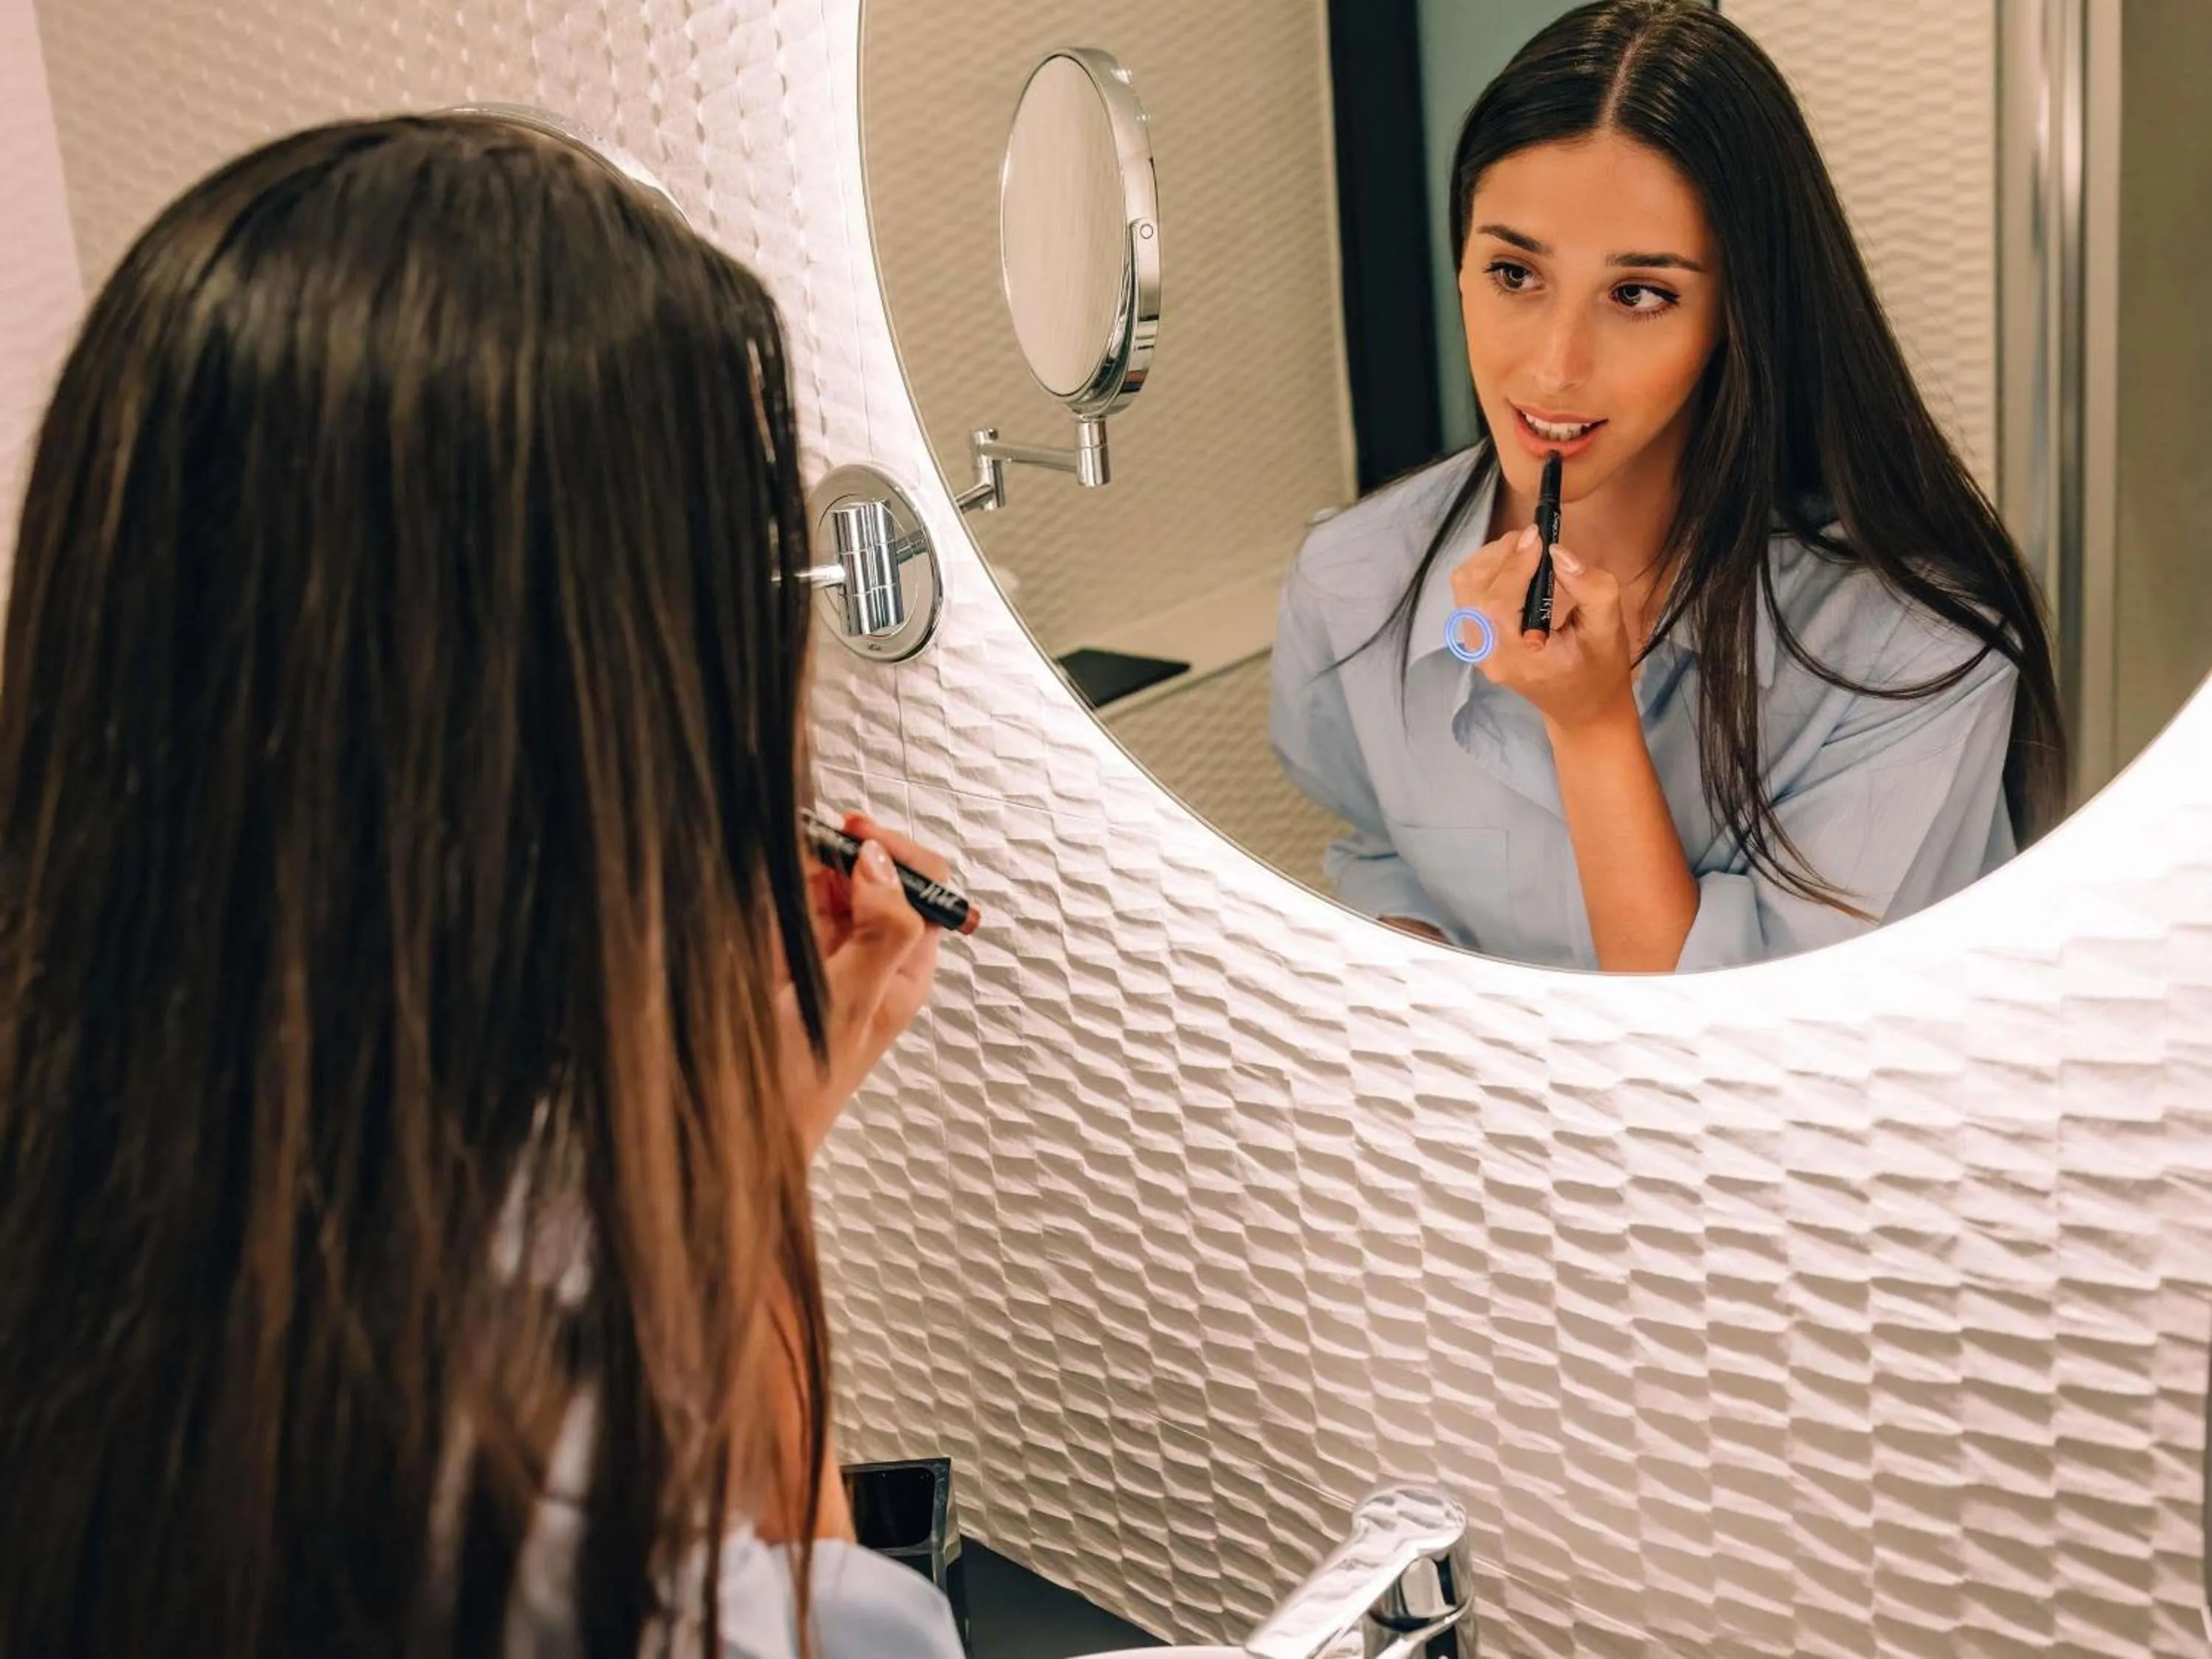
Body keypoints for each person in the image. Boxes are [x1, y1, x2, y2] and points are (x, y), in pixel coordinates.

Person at [0, 113, 964, 1659]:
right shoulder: (558, 1538)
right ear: (602, 715)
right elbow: (820, 1613)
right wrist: (740, 1196)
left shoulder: (115, 1235)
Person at [1270, 0, 2066, 974]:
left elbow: (1758, 1059)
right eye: (1515, 272)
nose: (1556, 368)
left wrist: (1593, 725)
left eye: (1639, 293)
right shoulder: (1352, 579)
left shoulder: (1914, 649)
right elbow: (1380, 848)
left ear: (1738, 310)